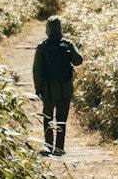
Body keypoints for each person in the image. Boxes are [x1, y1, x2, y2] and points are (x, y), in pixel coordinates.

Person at [32, 15, 84, 155]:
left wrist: (38, 88)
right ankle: (59, 147)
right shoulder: (67, 44)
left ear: (47, 29)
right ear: (60, 28)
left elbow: (37, 70)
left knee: (48, 117)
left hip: (48, 89)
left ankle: (48, 146)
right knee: (61, 119)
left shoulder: (42, 47)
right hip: (65, 88)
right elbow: (79, 60)